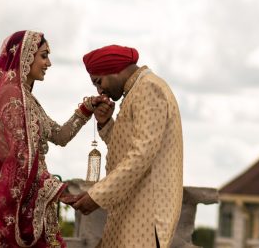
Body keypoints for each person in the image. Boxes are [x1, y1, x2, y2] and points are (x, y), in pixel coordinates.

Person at [0, 30, 103, 247]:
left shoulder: (27, 98)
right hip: (15, 204)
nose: (49, 63)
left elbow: (59, 136)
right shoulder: (11, 94)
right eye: (44, 55)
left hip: (33, 201)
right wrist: (58, 190)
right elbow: (21, 156)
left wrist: (85, 109)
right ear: (26, 55)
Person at [64, 45, 184, 248]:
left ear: (115, 69)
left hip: (146, 216)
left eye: (98, 81)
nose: (100, 90)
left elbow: (141, 155)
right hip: (131, 210)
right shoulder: (137, 90)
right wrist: (105, 124)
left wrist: (96, 196)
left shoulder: (149, 88)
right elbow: (130, 149)